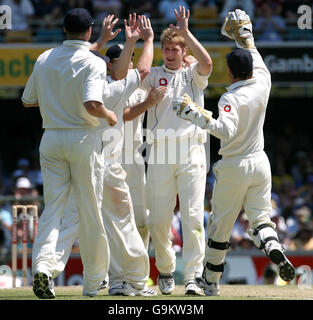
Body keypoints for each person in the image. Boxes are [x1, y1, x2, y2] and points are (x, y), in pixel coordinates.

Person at [172, 9, 296, 296]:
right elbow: (253, 52)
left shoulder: (231, 97)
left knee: (219, 228)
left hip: (234, 167)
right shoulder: (263, 80)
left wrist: (193, 112)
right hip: (260, 162)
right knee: (261, 218)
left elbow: (224, 130)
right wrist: (244, 33)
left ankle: (210, 283)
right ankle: (273, 245)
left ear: (229, 71)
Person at [51, 15, 161, 296]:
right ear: (106, 64)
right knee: (122, 224)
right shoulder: (116, 89)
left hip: (84, 161)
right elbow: (143, 70)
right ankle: (134, 281)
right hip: (108, 164)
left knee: (94, 226)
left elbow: (79, 59)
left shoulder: (84, 85)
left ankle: (104, 281)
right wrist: (145, 40)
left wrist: (100, 41)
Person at [21, 8, 118, 299]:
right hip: (83, 139)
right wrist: (110, 115)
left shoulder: (44, 58)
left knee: (53, 211)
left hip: (51, 139)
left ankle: (43, 268)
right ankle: (94, 283)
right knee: (90, 212)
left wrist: (58, 100)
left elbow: (28, 101)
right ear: (89, 31)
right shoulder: (94, 63)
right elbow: (92, 104)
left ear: (64, 29)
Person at [140, 6, 212, 295]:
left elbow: (206, 62)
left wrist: (185, 32)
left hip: (191, 152)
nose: (169, 53)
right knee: (158, 219)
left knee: (194, 217)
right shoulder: (153, 73)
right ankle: (167, 270)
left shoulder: (193, 74)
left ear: (183, 52)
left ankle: (193, 277)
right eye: (166, 48)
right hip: (159, 154)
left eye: (175, 49)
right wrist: (144, 41)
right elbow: (138, 71)